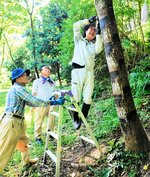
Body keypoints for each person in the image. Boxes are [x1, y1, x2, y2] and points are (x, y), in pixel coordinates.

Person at [0, 68, 65, 172]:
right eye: (24, 75)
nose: (27, 76)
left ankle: (27, 161)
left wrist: (51, 101)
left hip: (18, 120)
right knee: (4, 150)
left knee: (24, 141)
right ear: (18, 78)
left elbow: (31, 102)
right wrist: (54, 102)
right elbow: (33, 100)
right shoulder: (18, 89)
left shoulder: (19, 88)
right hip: (11, 121)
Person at [71, 16, 103, 129]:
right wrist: (88, 21)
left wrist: (99, 34)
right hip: (77, 71)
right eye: (91, 29)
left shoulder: (93, 45)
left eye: (95, 30)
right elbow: (75, 26)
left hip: (89, 72)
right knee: (76, 97)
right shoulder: (79, 40)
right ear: (86, 31)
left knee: (88, 97)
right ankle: (75, 119)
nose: (93, 31)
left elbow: (99, 49)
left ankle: (83, 118)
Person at [32, 65, 56, 144]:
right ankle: (38, 136)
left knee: (51, 120)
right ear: (41, 72)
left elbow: (54, 93)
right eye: (46, 69)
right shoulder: (37, 81)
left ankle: (50, 133)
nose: (48, 70)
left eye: (49, 69)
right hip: (40, 104)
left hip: (51, 103)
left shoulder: (52, 82)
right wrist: (33, 105)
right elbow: (34, 93)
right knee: (39, 120)